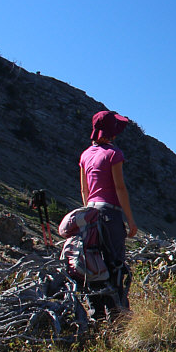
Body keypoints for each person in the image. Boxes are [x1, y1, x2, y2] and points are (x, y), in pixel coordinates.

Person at [79, 110, 138, 319]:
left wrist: (88, 213)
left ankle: (96, 313)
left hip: (90, 211)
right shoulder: (114, 154)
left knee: (94, 262)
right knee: (115, 264)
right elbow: (120, 188)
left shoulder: (85, 155)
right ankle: (118, 315)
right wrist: (130, 220)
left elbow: (84, 190)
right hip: (109, 213)